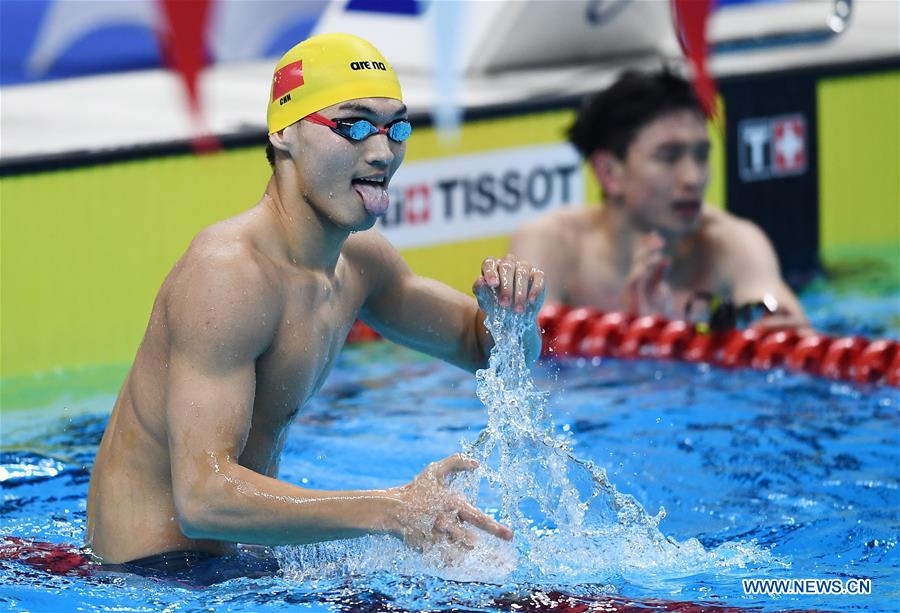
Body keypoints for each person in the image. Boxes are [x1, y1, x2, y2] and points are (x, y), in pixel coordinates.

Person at [85, 33, 545, 582]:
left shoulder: (359, 262)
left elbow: (482, 349)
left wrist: (513, 318)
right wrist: (391, 511)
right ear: (285, 133)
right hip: (156, 579)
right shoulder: (229, 274)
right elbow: (202, 498)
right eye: (351, 126)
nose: (381, 152)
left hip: (238, 559)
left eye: (396, 128)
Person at [510, 69, 807, 330]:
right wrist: (642, 334)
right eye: (669, 157)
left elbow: (789, 334)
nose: (693, 178)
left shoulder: (732, 245)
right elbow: (527, 374)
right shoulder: (553, 245)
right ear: (609, 173)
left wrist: (777, 326)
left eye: (702, 155)